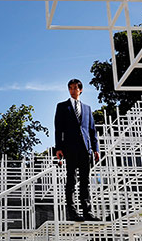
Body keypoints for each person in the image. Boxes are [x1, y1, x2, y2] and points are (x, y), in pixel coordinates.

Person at [54, 79, 101, 222]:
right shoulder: (62, 106)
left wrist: (95, 148)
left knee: (85, 181)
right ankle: (72, 212)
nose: (73, 90)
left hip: (85, 149)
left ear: (80, 90)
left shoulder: (87, 108)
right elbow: (58, 128)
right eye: (70, 88)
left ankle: (87, 212)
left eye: (75, 88)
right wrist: (59, 148)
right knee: (71, 180)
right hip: (70, 148)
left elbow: (92, 130)